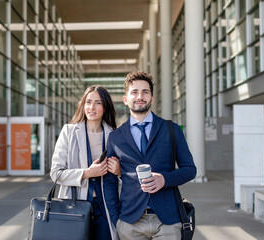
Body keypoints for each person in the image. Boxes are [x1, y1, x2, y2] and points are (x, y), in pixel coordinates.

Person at [103, 71, 197, 240]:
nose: (140, 96)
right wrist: (116, 218)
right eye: (134, 92)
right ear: (126, 99)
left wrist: (164, 179)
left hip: (168, 221)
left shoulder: (171, 129)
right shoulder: (115, 137)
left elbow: (190, 170)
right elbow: (109, 182)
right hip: (130, 222)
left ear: (152, 98)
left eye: (145, 92)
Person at [50, 85, 120, 240]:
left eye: (98, 103)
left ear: (105, 106)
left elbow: (125, 175)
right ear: (82, 105)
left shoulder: (115, 135)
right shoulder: (69, 132)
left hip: (106, 208)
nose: (92, 107)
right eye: (88, 102)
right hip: (75, 205)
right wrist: (87, 173)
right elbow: (55, 173)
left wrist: (119, 171)